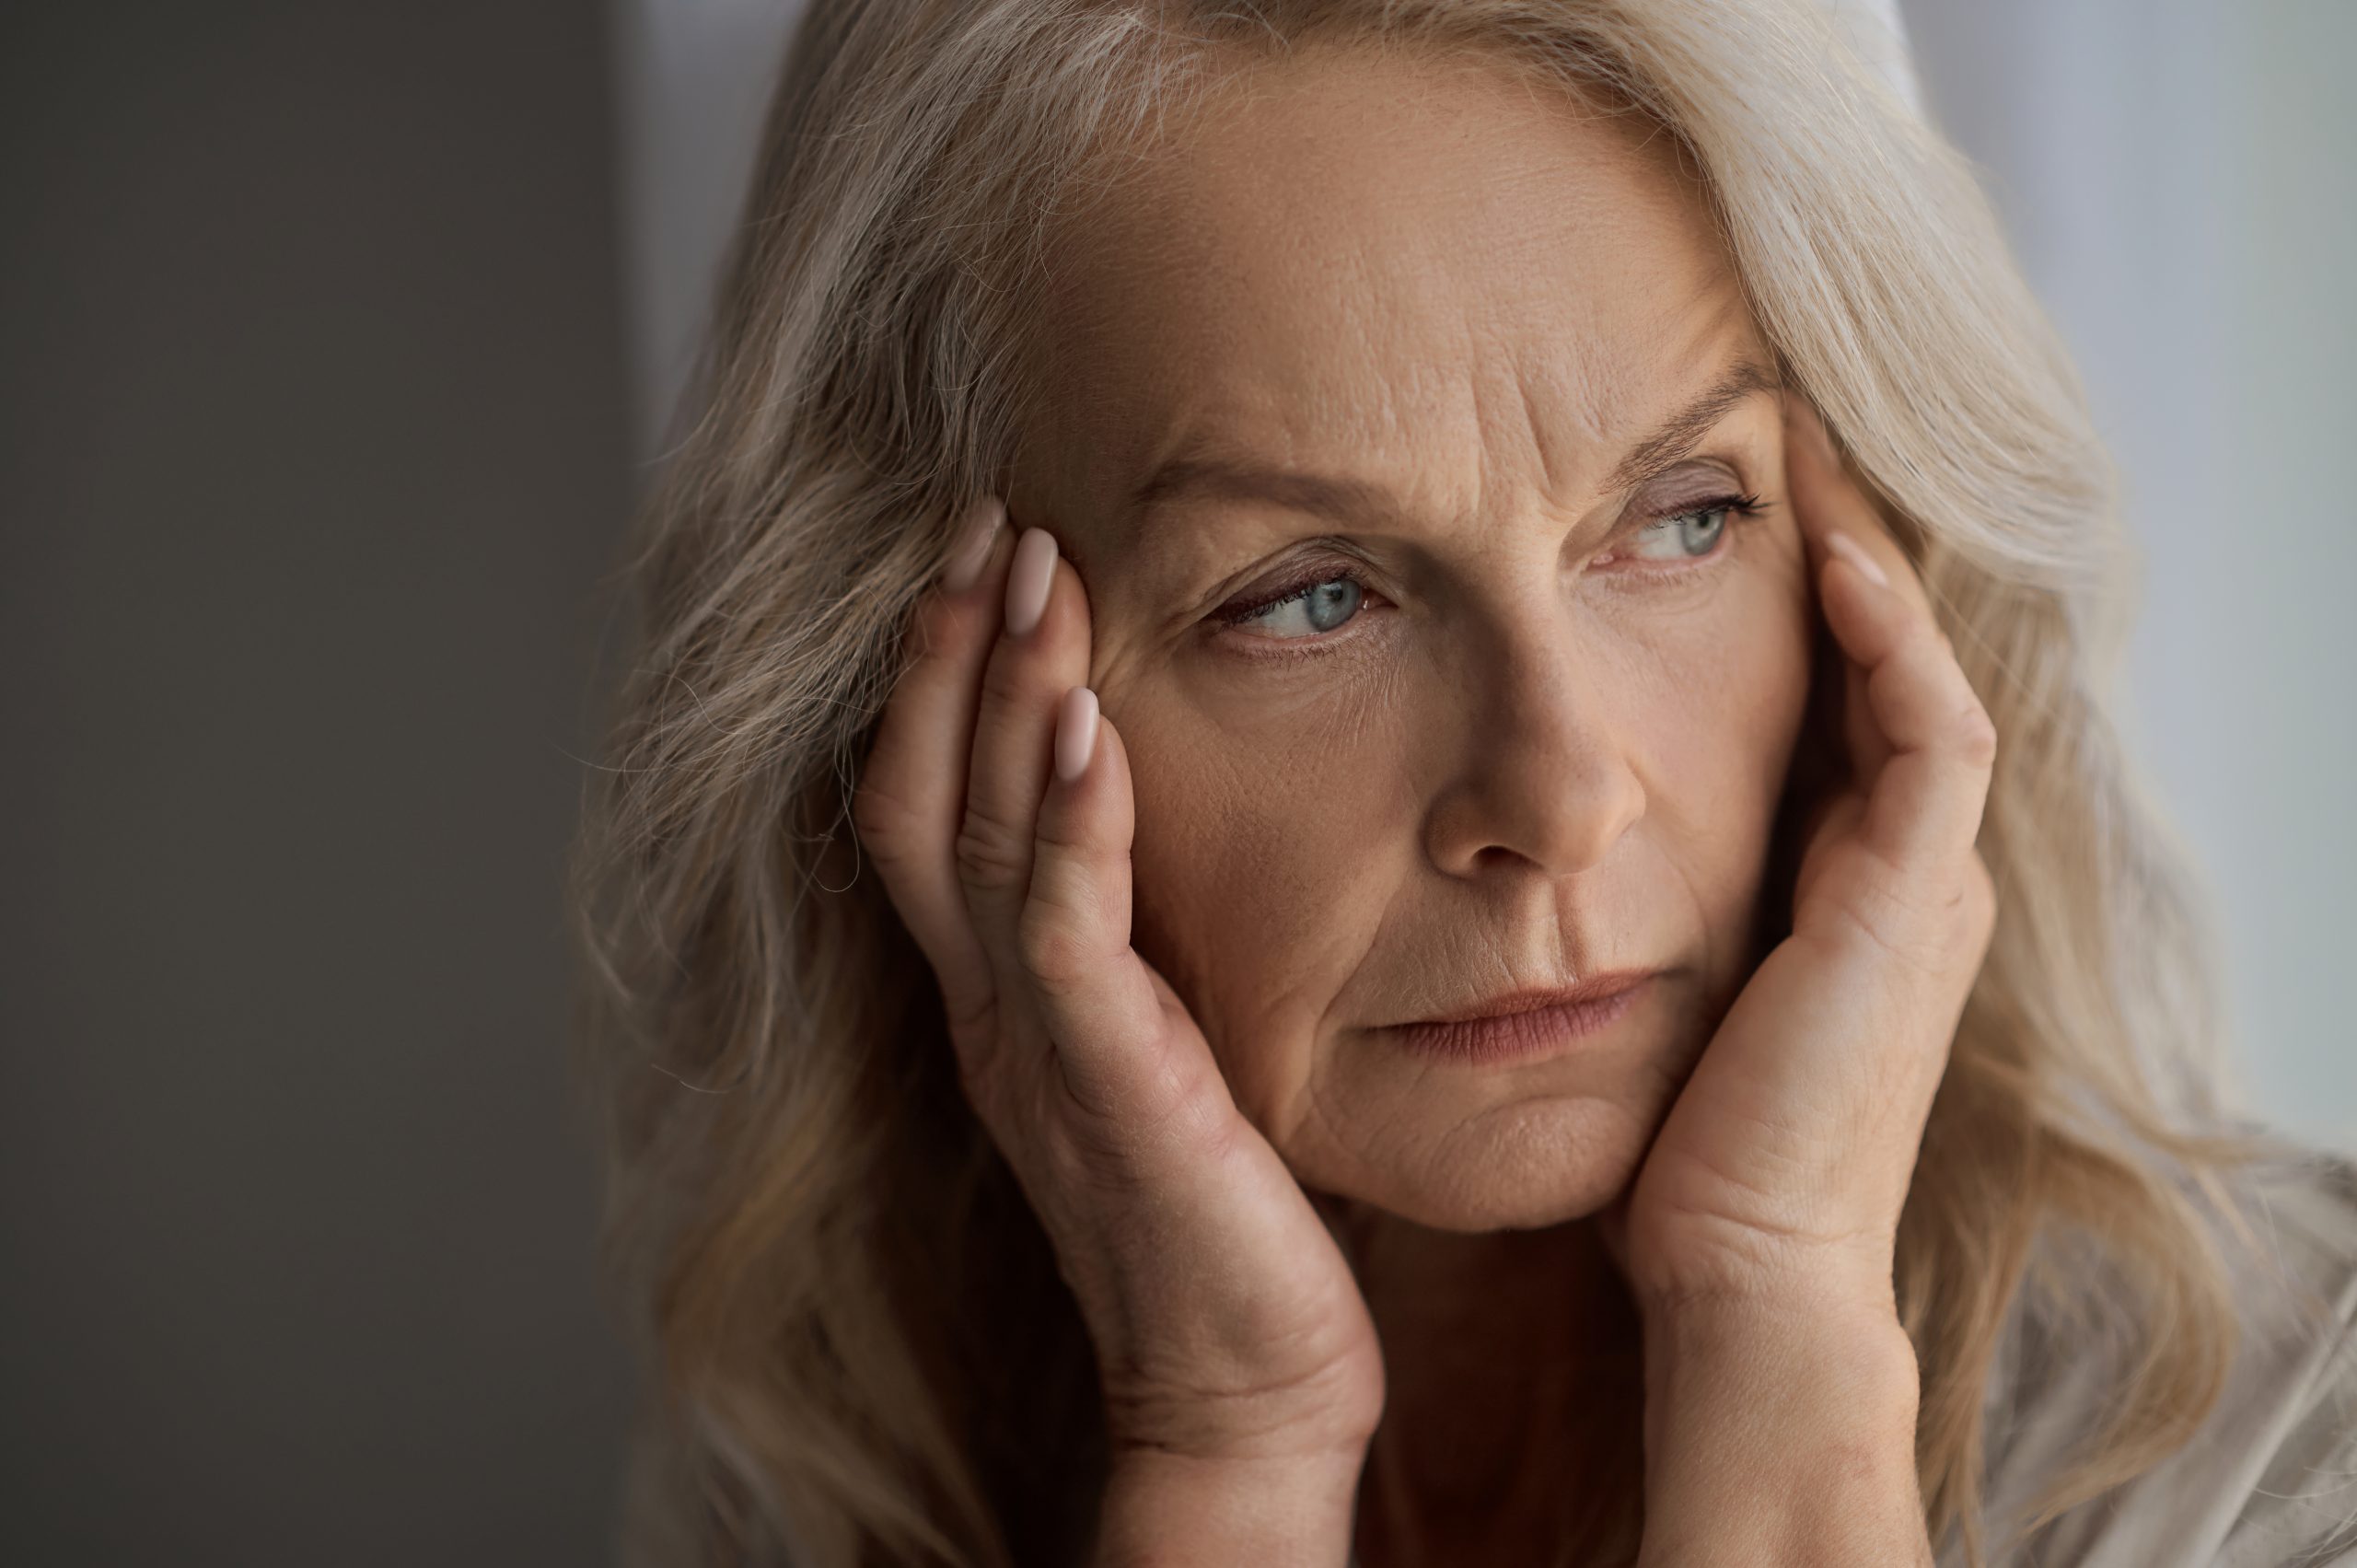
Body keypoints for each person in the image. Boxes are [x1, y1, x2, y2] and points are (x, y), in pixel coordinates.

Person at [566, 2, 2357, 1564]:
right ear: (932, 702)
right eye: (1309, 599)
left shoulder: (2302, 1455)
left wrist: (1782, 1319)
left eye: (1681, 519)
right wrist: (1226, 1449)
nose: (1559, 797)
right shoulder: (824, 1460)